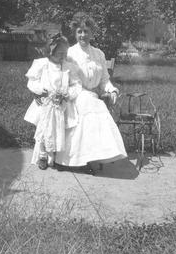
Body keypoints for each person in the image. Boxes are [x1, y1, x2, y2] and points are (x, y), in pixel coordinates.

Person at [54, 13, 127, 171]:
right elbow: (71, 80)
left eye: (86, 31)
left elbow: (104, 80)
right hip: (75, 94)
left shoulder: (99, 54)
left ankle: (93, 155)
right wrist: (86, 93)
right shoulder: (70, 54)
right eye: (80, 31)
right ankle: (78, 159)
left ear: (92, 33)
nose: (83, 35)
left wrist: (111, 90)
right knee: (93, 106)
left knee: (95, 105)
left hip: (92, 95)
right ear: (75, 33)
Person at [24, 34, 82, 170]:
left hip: (61, 104)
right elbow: (32, 81)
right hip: (45, 103)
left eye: (65, 53)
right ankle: (43, 156)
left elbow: (77, 85)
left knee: (57, 130)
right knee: (44, 129)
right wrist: (39, 90)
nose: (63, 56)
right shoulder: (42, 64)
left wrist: (68, 94)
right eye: (60, 53)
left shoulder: (68, 67)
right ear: (51, 52)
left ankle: (53, 156)